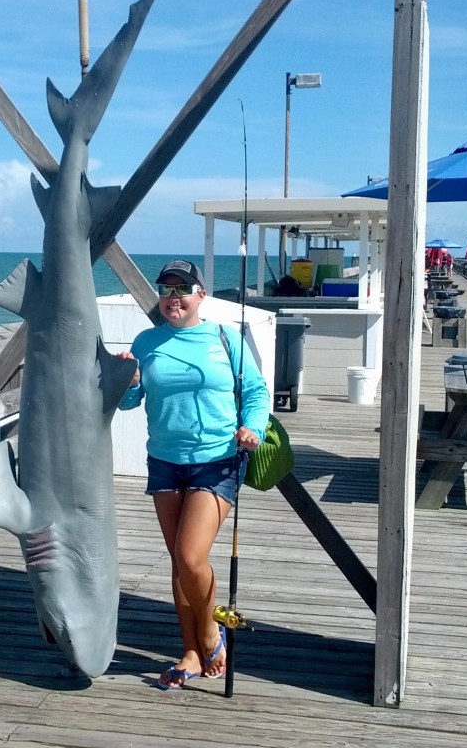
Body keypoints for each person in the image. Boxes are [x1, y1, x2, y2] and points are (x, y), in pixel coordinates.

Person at [117, 259, 271, 691]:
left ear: (201, 294)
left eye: (182, 290)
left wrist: (253, 429)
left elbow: (257, 392)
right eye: (166, 292)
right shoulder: (147, 342)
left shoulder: (225, 337)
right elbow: (130, 402)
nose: (173, 299)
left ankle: (209, 634)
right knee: (179, 564)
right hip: (165, 460)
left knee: (189, 556)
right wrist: (128, 379)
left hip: (218, 459)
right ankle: (189, 651)